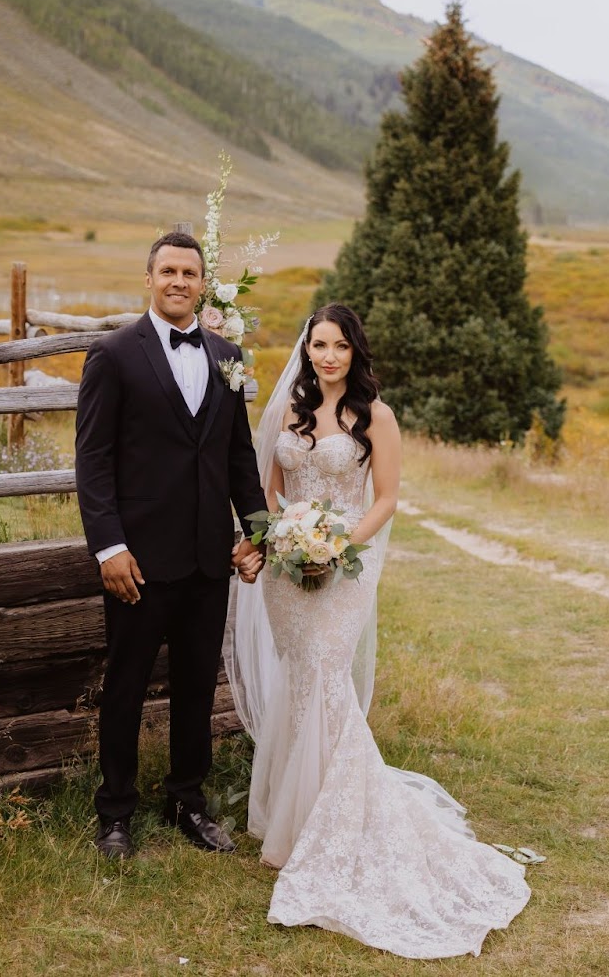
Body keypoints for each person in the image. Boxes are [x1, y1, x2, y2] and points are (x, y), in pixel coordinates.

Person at [227, 304, 531, 958]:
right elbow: (269, 487)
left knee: (326, 676)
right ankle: (294, 816)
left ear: (355, 352)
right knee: (299, 681)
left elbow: (386, 496)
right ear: (306, 351)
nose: (327, 356)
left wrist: (335, 546)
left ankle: (328, 829)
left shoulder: (377, 417)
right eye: (318, 345)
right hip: (288, 568)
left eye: (339, 346)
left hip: (345, 566)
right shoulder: (289, 412)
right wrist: (281, 535)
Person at [75, 230, 266, 860]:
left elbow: (239, 455)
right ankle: (116, 814)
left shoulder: (226, 353)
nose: (178, 281)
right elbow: (94, 462)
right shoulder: (113, 355)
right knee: (126, 686)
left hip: (208, 557)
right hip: (139, 562)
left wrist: (257, 530)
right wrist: (109, 549)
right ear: (149, 279)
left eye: (190, 272)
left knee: (194, 688)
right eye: (168, 271)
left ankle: (188, 801)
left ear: (203, 283)